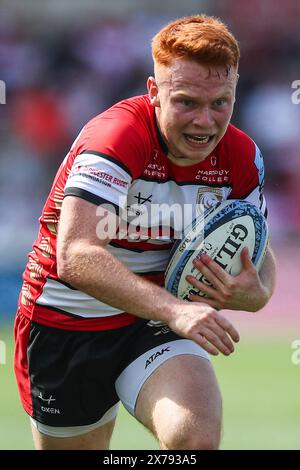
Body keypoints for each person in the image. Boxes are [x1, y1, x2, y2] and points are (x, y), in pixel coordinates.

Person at [14, 14, 276, 450]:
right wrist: (177, 310)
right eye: (187, 102)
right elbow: (76, 254)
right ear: (154, 93)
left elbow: (256, 241)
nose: (206, 122)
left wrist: (259, 291)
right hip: (66, 322)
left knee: (195, 442)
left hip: (152, 321)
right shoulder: (116, 138)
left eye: (220, 103)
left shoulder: (242, 156)